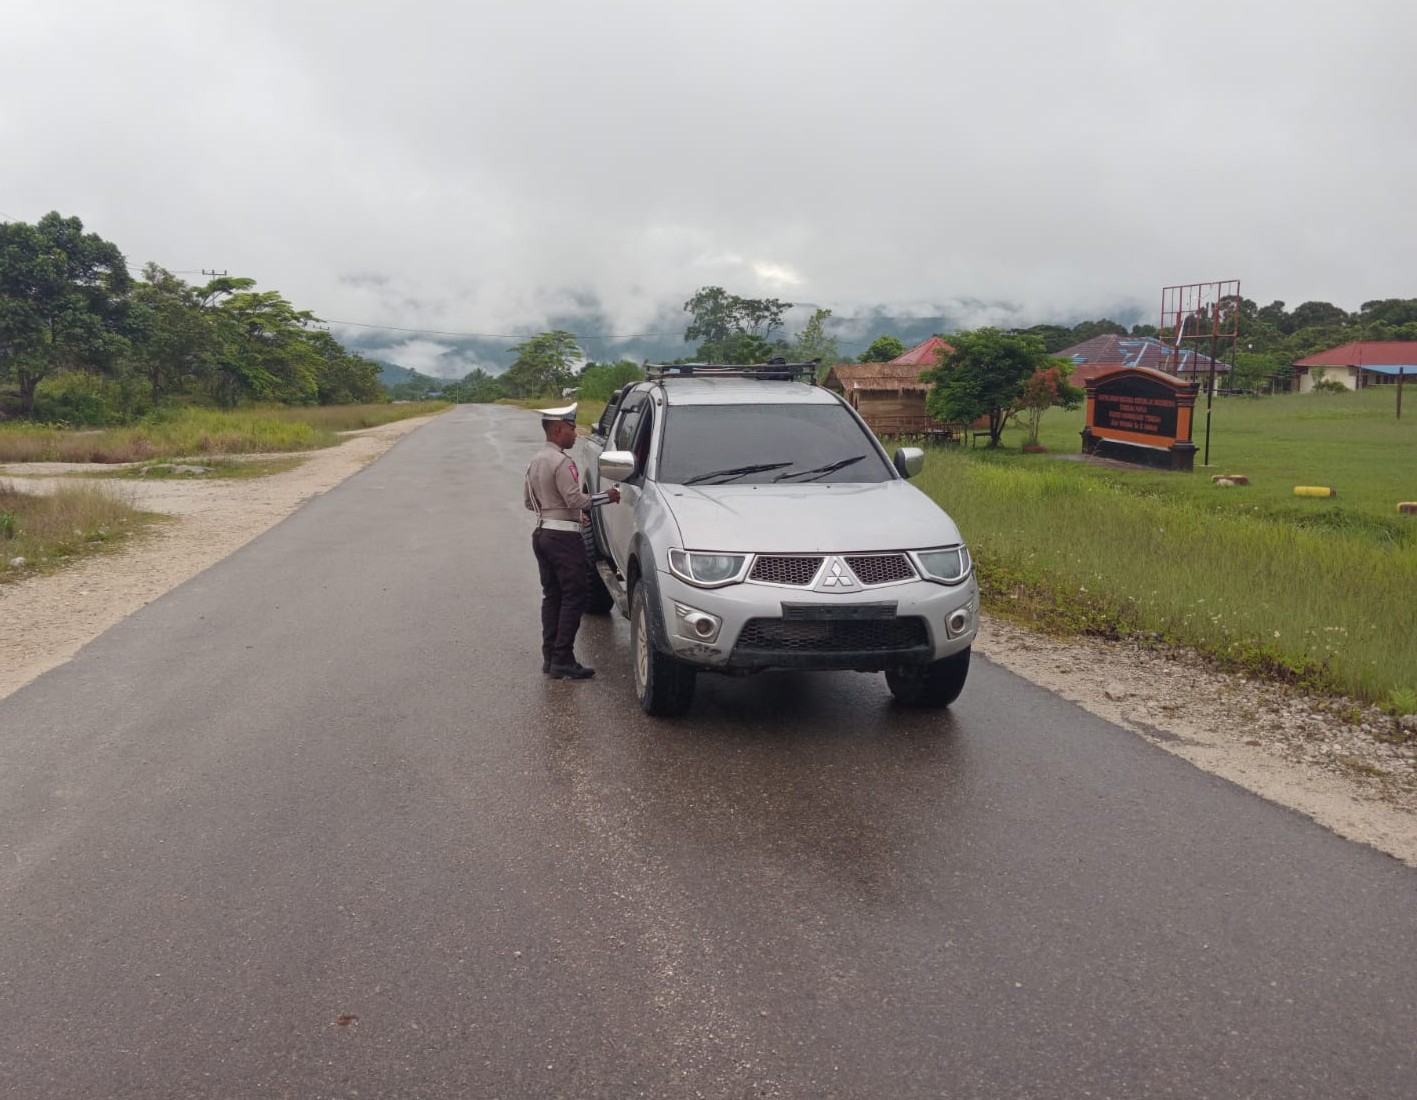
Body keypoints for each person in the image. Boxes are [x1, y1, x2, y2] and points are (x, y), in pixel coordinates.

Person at [523, 403, 621, 679]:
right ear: (556, 430)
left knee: (552, 596)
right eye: (570, 428)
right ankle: (563, 658)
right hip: (564, 540)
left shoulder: (535, 461)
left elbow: (529, 502)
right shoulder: (562, 462)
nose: (575, 433)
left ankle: (550, 657)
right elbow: (576, 499)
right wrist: (608, 497)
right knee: (574, 596)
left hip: (542, 533)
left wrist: (570, 515)